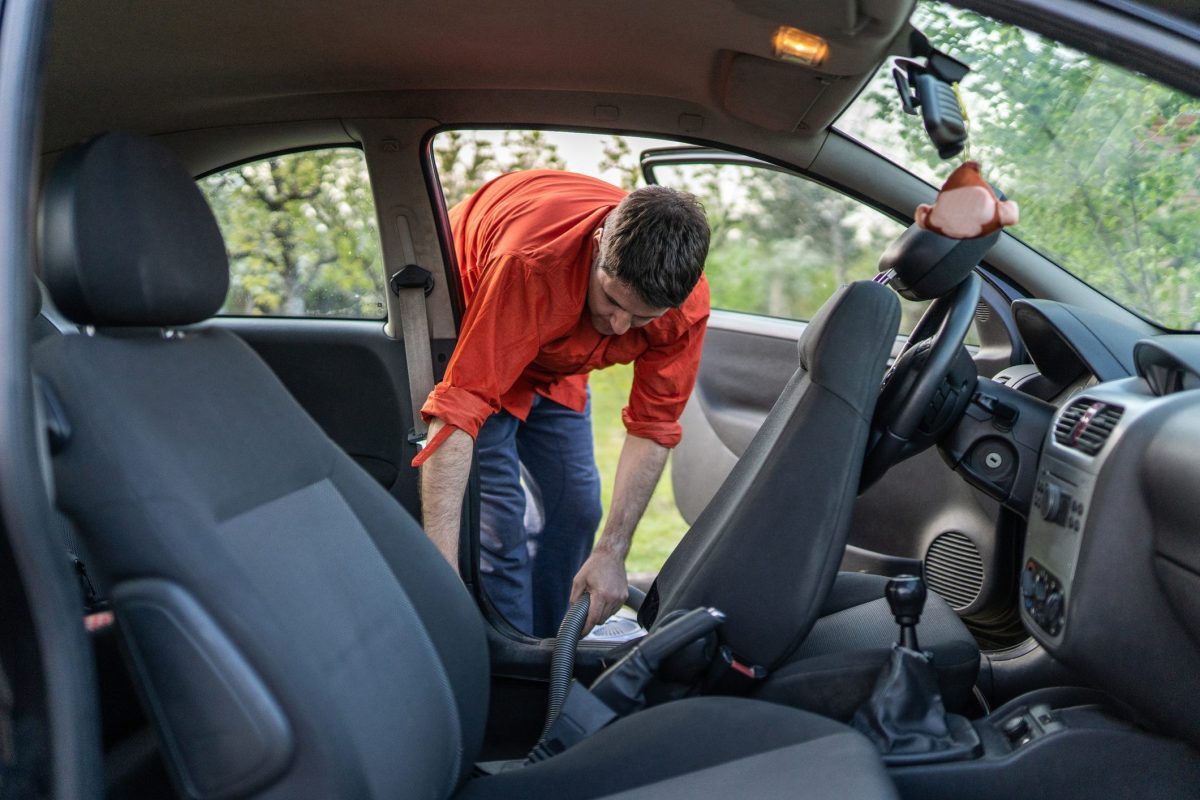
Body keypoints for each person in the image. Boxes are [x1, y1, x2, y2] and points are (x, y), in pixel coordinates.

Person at [414, 169, 710, 636]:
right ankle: (507, 660)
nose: (617, 326)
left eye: (641, 318)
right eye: (612, 300)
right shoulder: (531, 262)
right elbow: (459, 408)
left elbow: (653, 426)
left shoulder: (684, 309)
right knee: (500, 531)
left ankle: (554, 645)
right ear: (597, 246)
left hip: (559, 364)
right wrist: (439, 579)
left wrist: (613, 551)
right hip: (483, 323)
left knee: (577, 509)